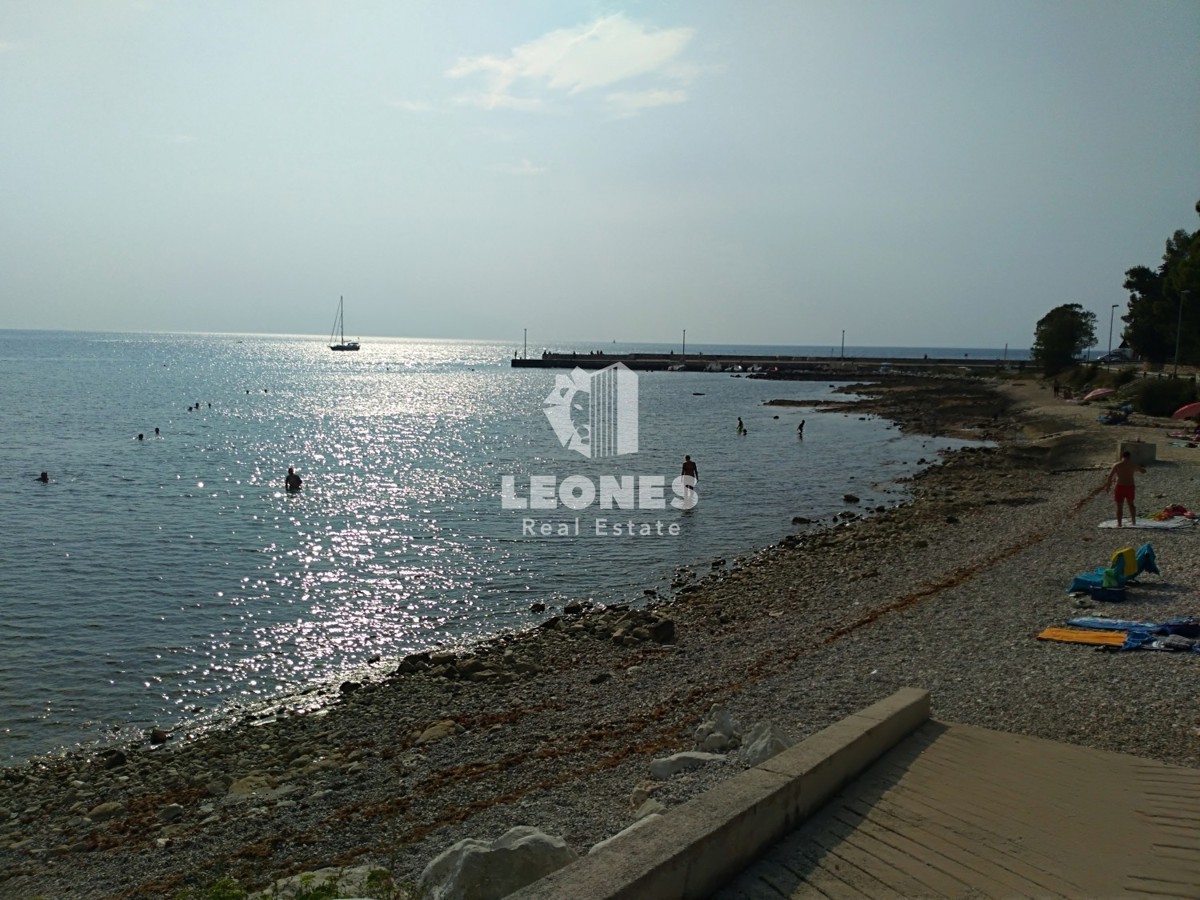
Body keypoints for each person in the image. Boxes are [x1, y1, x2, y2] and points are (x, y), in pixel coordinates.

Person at [1103, 450, 1145, 527]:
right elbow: (1143, 471)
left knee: (1119, 506)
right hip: (1130, 486)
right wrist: (1141, 468)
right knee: (1131, 504)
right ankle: (1134, 522)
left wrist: (1108, 487)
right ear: (1129, 457)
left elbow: (1110, 476)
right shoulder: (1133, 465)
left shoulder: (1117, 465)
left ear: (1122, 457)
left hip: (1120, 486)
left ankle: (1119, 524)